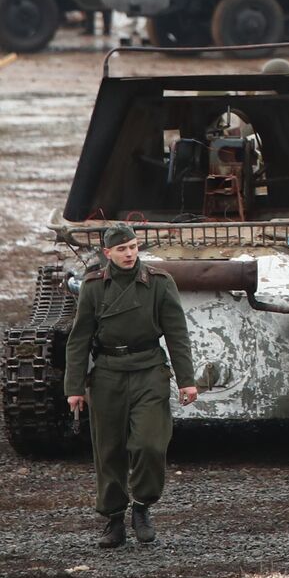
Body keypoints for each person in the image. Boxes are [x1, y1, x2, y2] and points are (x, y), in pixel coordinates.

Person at [64, 225, 196, 548]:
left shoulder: (159, 284)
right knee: (108, 449)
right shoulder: (94, 287)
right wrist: (75, 386)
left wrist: (187, 380)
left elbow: (177, 335)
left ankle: (142, 507)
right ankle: (113, 520)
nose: (129, 254)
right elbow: (79, 338)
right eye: (122, 249)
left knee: (150, 443)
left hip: (148, 368)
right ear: (107, 253)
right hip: (108, 372)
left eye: (133, 247)